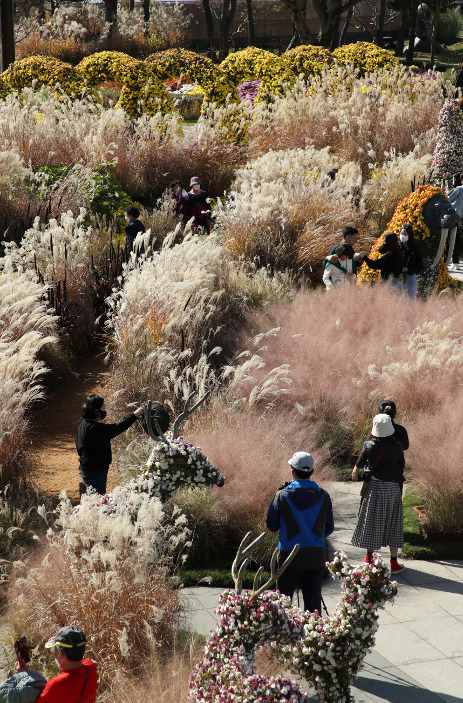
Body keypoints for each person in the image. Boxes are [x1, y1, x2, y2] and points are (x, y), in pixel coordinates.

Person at [266, 452, 334, 613]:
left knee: (282, 607)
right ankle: (313, 637)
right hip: (316, 556)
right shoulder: (324, 496)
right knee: (313, 609)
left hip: (289, 557)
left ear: (292, 472)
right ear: (312, 472)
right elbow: (329, 528)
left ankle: (285, 637)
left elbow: (272, 525)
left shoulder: (282, 495)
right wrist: (312, 537)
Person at [351, 414, 405, 575]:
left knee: (372, 522)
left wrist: (356, 468)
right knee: (394, 523)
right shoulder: (397, 446)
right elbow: (401, 465)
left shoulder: (368, 445)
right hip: (392, 488)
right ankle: (394, 563)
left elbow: (362, 460)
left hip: (374, 487)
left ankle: (369, 559)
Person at [76, 394, 145, 495]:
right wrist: (135, 415)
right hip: (96, 471)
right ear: (96, 411)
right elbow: (118, 427)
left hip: (87, 469)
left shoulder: (83, 425)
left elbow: (79, 447)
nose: (105, 409)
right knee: (98, 500)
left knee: (91, 498)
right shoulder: (96, 429)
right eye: (103, 407)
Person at [16, 626, 97, 703]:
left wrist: (23, 676)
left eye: (54, 650)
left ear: (61, 654)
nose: (55, 653)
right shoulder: (91, 668)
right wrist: (61, 640)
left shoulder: (57, 685)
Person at [398, 224, 423, 299]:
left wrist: (408, 269)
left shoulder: (414, 248)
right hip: (399, 276)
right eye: (401, 234)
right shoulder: (398, 246)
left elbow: (419, 265)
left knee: (411, 299)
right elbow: (382, 250)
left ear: (409, 235)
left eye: (405, 234)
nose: (402, 236)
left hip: (410, 276)